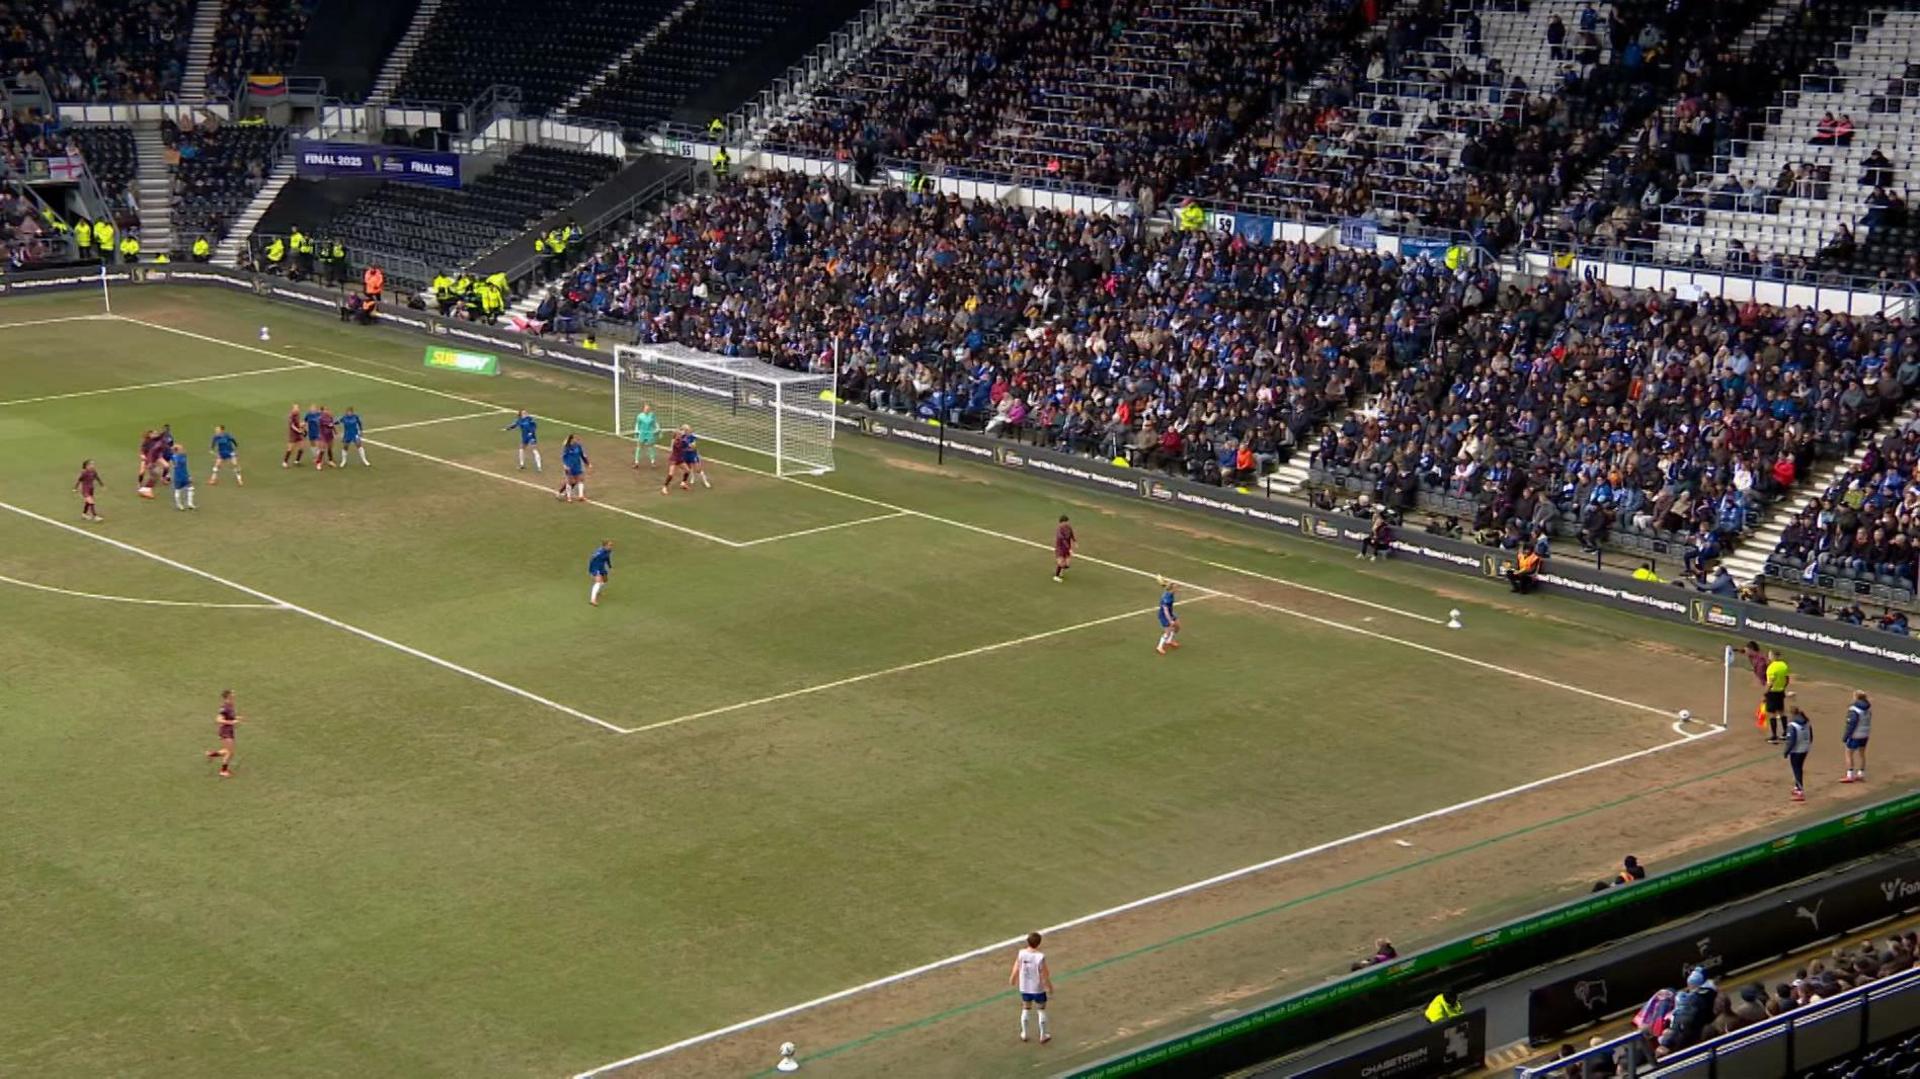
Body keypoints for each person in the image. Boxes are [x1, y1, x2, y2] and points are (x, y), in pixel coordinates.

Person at [1009, 931, 1053, 1044]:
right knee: (1041, 1010)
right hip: (1037, 988)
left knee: (1025, 1008)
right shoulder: (1040, 957)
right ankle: (1043, 1035)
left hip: (1025, 987)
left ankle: (1024, 1033)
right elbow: (1044, 974)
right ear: (1039, 943)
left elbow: (1016, 967)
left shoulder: (1021, 953)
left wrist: (1012, 979)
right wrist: (1049, 987)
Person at [204, 689, 241, 778]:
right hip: (225, 731)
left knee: (227, 750)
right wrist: (232, 722)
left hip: (229, 731)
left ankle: (211, 754)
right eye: (232, 693)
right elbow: (218, 720)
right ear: (228, 696)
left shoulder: (231, 705)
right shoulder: (224, 707)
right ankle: (223, 771)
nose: (234, 694)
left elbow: (230, 716)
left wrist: (237, 718)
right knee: (230, 752)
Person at [1784, 698, 1812, 801]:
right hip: (1805, 749)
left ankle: (1800, 791)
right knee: (1799, 768)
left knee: (1796, 769)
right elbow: (1811, 736)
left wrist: (1786, 752)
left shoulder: (1792, 725)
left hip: (1796, 751)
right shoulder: (1806, 722)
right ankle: (1797, 787)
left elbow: (1791, 741)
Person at [1842, 691, 1871, 783]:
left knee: (1848, 753)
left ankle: (1850, 775)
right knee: (1862, 754)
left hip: (1855, 735)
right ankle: (1861, 774)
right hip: (1865, 734)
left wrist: (1846, 736)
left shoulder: (1854, 710)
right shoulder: (1868, 709)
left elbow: (1851, 725)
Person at [1764, 650, 1791, 743]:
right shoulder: (1784, 665)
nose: (1769, 657)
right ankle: (1785, 733)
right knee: (1782, 712)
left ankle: (1774, 736)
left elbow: (1770, 683)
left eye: (1770, 655)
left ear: (1773, 656)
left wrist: (1765, 693)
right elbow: (1787, 679)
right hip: (1780, 691)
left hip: (1772, 693)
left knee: (1772, 714)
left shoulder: (1771, 668)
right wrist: (1783, 687)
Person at [556, 434, 590, 502]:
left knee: (580, 479)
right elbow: (563, 457)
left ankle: (581, 496)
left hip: (577, 466)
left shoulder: (578, 446)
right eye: (575, 438)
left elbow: (583, 455)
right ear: (571, 439)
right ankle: (562, 493)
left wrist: (587, 463)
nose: (576, 440)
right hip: (569, 466)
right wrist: (565, 465)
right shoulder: (567, 448)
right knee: (570, 481)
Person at [1156, 579, 1181, 654]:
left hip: (1170, 613)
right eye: (1176, 588)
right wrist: (1170, 620)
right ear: (1172, 589)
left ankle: (1169, 641)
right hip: (1164, 615)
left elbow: (1166, 585)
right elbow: (1165, 610)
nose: (1177, 589)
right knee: (1168, 632)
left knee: (1177, 627)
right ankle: (1159, 647)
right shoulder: (1167, 598)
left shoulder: (1170, 592)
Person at [587, 539, 614, 607]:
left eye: (611, 545)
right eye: (609, 545)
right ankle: (592, 600)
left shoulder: (609, 551)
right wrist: (592, 570)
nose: (611, 546)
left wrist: (610, 566)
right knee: (598, 582)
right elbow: (591, 559)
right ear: (605, 546)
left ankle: (597, 591)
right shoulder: (599, 552)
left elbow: (607, 558)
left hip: (601, 567)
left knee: (605, 580)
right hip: (595, 567)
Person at [169, 443, 195, 511]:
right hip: (178, 476)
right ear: (177, 450)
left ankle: (190, 504)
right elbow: (174, 463)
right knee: (178, 491)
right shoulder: (175, 457)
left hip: (185, 475)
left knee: (191, 488)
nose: (183, 449)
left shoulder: (183, 455)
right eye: (181, 449)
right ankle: (179, 505)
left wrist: (189, 475)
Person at [632, 403, 658, 468]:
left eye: (648, 409)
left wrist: (657, 429)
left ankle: (653, 462)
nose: (647, 410)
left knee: (650, 447)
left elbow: (655, 423)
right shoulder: (640, 416)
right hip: (642, 433)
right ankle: (636, 463)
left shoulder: (652, 415)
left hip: (649, 433)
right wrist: (636, 431)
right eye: (646, 409)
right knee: (639, 447)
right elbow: (637, 424)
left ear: (650, 409)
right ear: (643, 409)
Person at [315, 405, 338, 469]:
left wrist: (335, 431)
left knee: (330, 448)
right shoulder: (320, 418)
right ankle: (318, 463)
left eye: (328, 410)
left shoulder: (330, 417)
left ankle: (330, 461)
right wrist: (330, 425)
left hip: (330, 435)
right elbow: (327, 425)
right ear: (323, 411)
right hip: (323, 435)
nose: (327, 411)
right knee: (322, 449)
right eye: (325, 410)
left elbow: (332, 424)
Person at [284, 403, 306, 467]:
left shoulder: (298, 415)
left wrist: (302, 425)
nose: (297, 410)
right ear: (293, 409)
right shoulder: (291, 416)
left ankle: (297, 461)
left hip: (298, 433)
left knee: (302, 447)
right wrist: (298, 430)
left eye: (298, 408)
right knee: (290, 448)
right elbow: (292, 425)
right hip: (293, 434)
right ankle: (285, 462)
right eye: (296, 408)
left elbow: (298, 423)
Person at [1054, 514, 1076, 581]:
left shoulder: (1068, 527)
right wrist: (1069, 549)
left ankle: (1061, 571)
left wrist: (1075, 541)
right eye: (1065, 522)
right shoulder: (1059, 529)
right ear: (1062, 522)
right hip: (1060, 548)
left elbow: (1071, 533)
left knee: (1067, 564)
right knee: (1061, 562)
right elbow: (1062, 540)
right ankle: (1056, 576)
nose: (1067, 523)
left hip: (1067, 546)